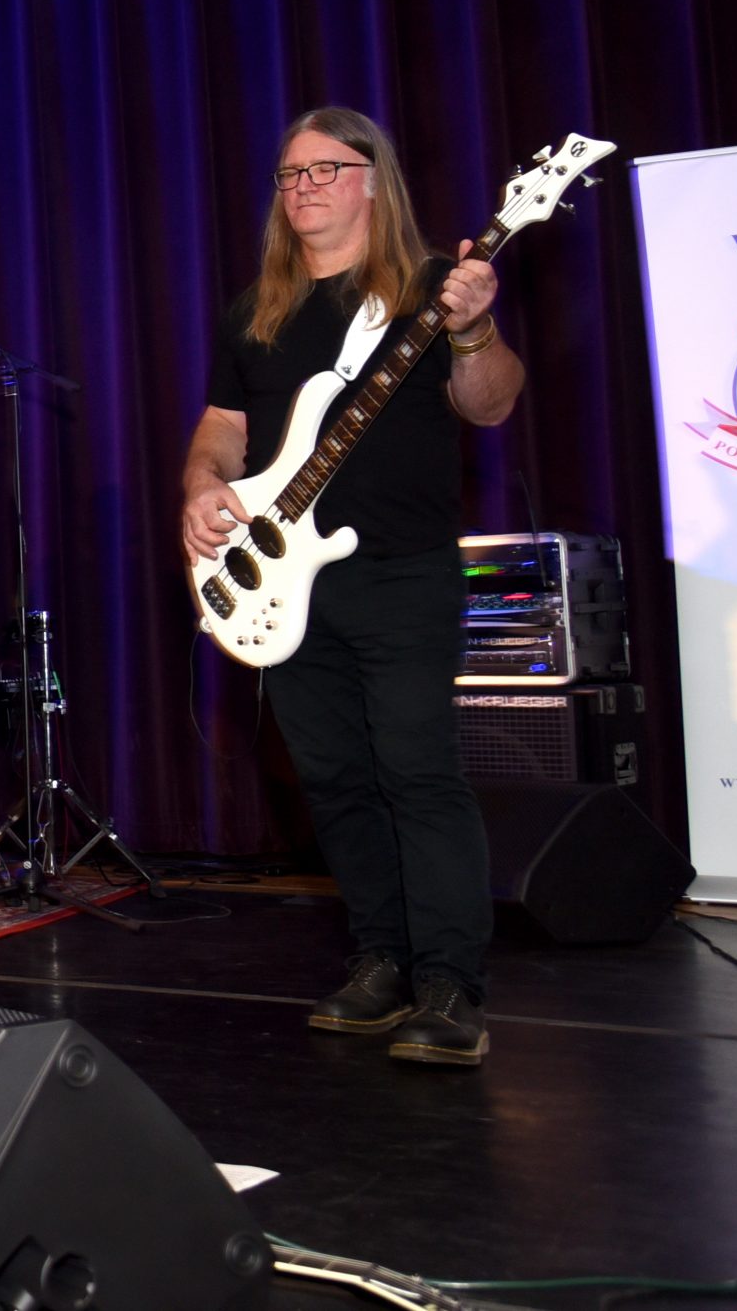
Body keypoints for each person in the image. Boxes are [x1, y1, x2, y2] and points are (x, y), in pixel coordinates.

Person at [180, 106, 521, 1068]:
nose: (305, 187)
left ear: (375, 179)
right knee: (332, 778)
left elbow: (491, 404)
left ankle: (451, 984)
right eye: (291, 174)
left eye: (326, 168)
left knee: (418, 772)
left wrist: (474, 329)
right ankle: (381, 960)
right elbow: (223, 428)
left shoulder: (431, 288)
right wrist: (201, 488)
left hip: (403, 570)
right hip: (288, 578)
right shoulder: (256, 310)